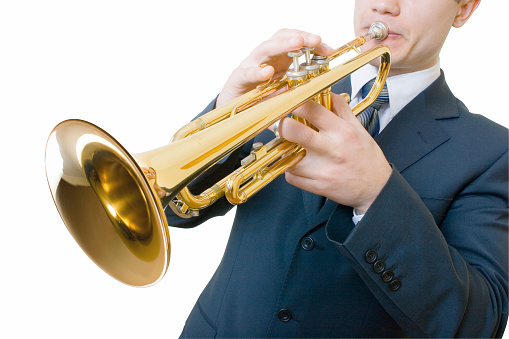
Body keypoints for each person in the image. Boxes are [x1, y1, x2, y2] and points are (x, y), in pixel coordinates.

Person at [166, 0, 508, 337]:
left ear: (463, 9)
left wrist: (377, 194)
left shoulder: (493, 151)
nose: (384, 6)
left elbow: (476, 325)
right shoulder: (286, 89)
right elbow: (173, 210)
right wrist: (229, 111)